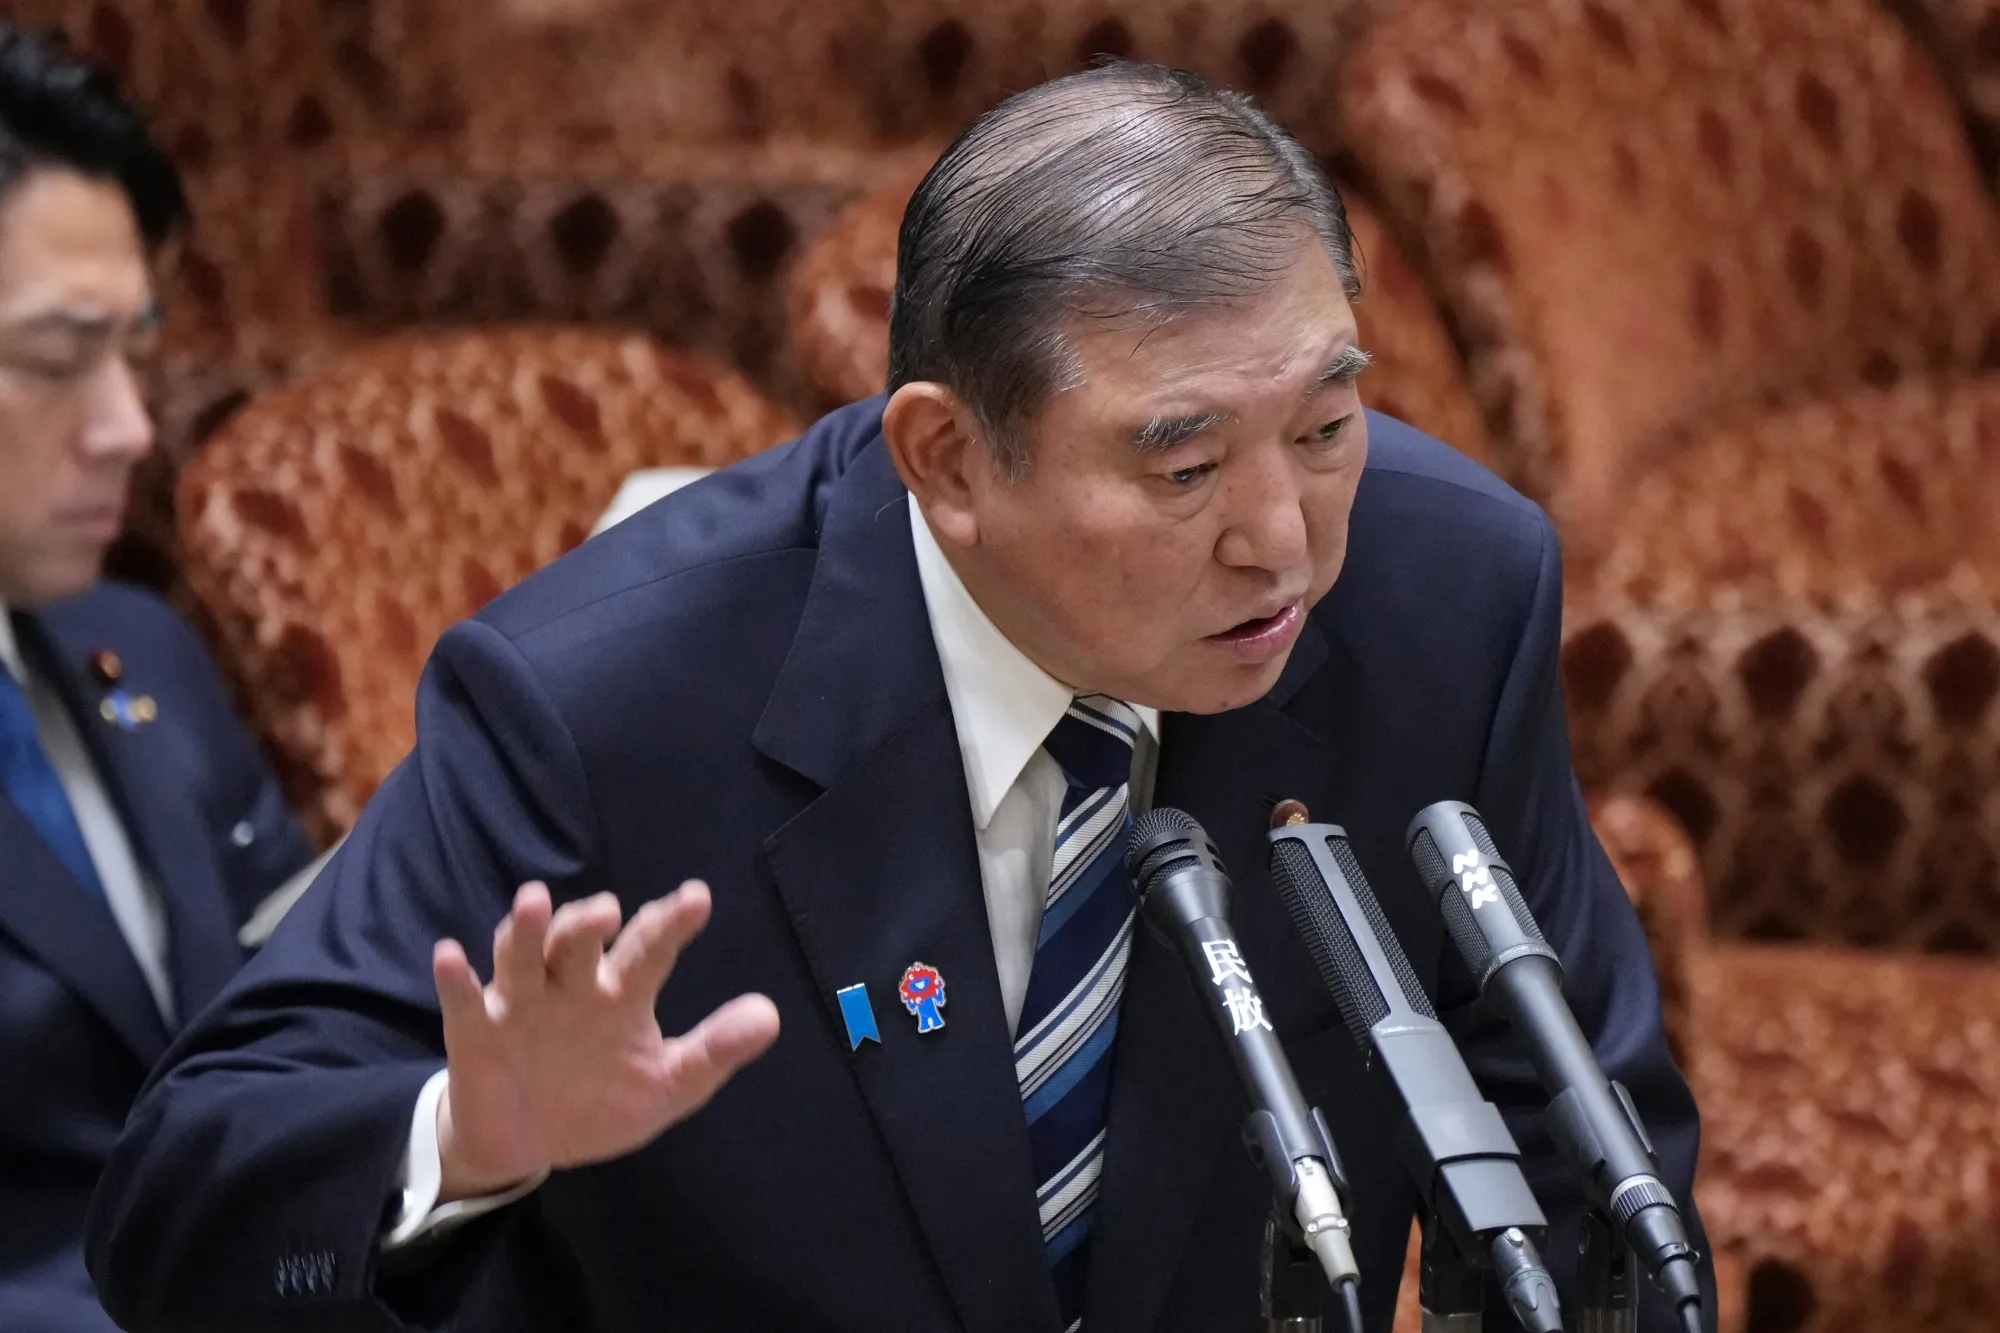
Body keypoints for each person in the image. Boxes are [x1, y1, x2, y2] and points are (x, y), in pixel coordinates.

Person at [87, 62, 1714, 1332]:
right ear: (946, 457)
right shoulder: (611, 698)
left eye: (1328, 426)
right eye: (1186, 462)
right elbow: (179, 1200)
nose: (1283, 544)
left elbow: (1592, 1145)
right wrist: (466, 1136)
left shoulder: (1446, 597)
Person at [0, 23, 316, 1333]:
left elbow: (293, 1014)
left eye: (135, 348)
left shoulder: (138, 647)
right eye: (58, 360)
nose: (130, 423)